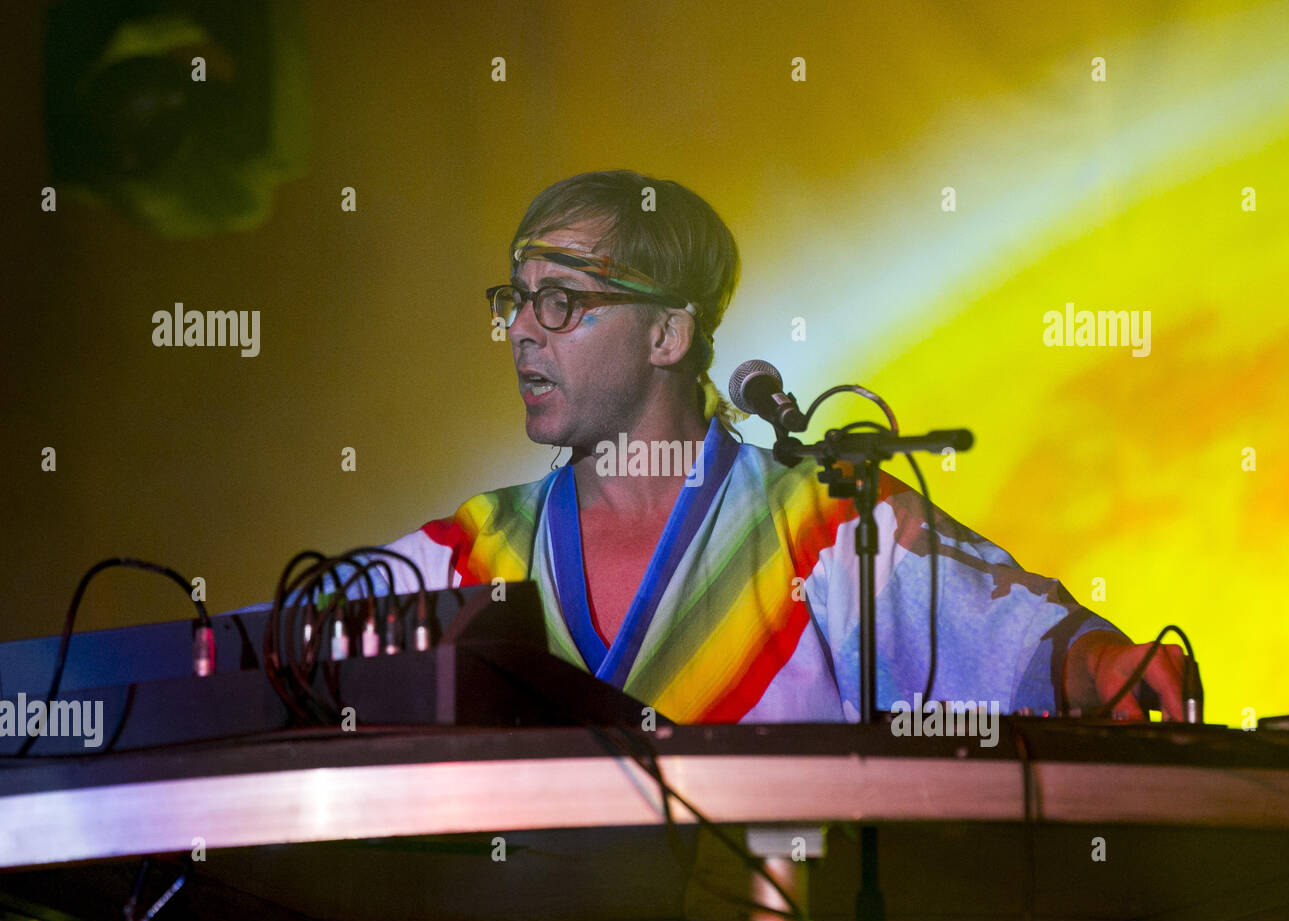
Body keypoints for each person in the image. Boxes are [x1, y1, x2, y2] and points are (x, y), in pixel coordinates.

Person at [381, 169, 1188, 724]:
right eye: (514, 302)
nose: (519, 330)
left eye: (558, 301)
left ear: (667, 332)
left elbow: (1007, 632)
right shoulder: (467, 550)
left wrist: (1097, 662)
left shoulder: (823, 524)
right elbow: (280, 654)